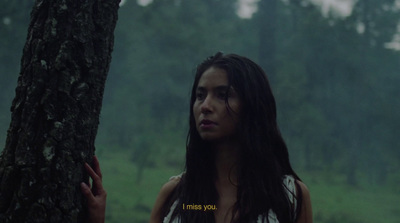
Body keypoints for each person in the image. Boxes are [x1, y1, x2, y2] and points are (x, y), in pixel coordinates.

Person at [82, 52, 313, 223]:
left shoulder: (289, 196)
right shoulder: (176, 194)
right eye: (200, 95)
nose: (205, 106)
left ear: (252, 106)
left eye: (222, 95)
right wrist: (97, 218)